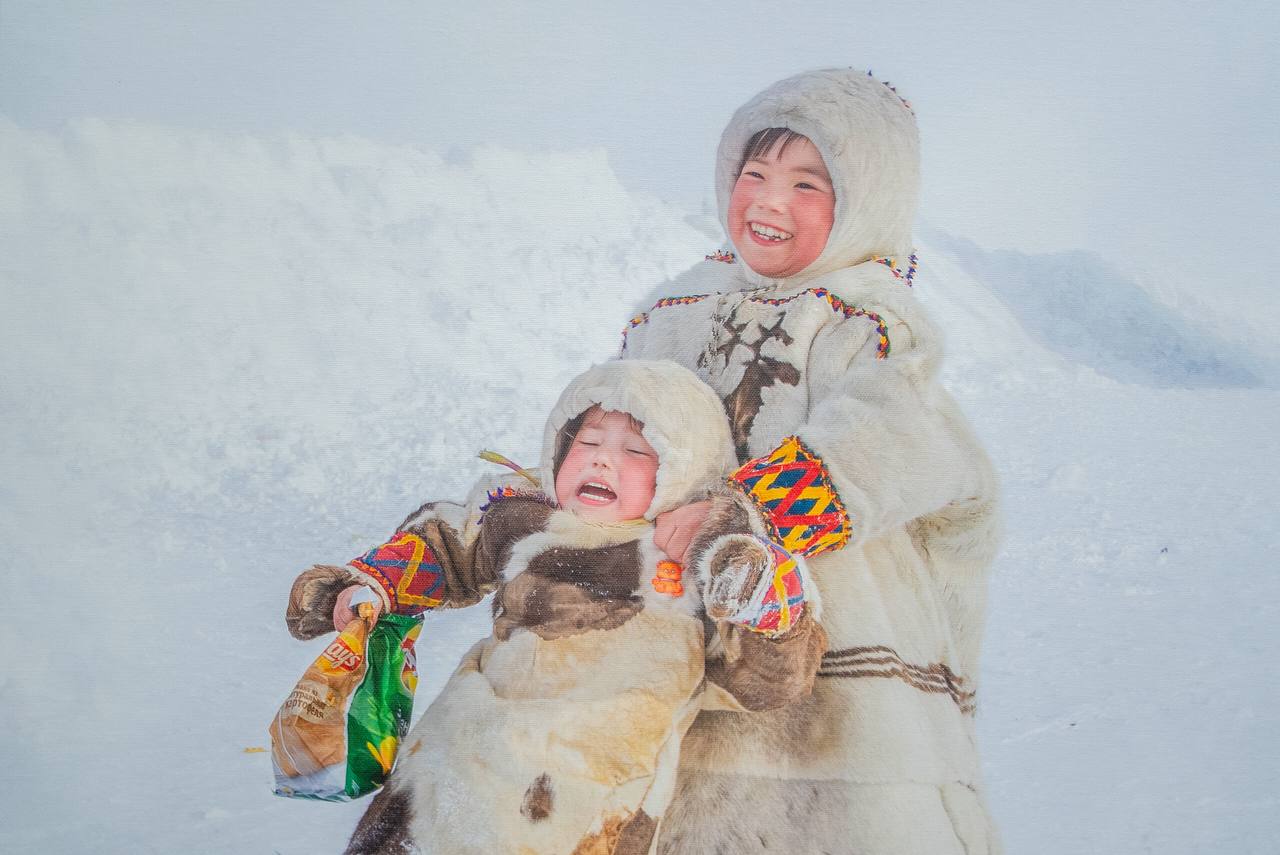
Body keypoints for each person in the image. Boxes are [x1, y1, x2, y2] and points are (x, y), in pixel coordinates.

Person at [616, 68, 1003, 853]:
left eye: (806, 184)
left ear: (867, 201)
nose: (767, 201)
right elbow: (614, 423)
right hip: (681, 644)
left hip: (835, 686)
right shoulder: (672, 311)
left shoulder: (867, 319)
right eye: (753, 174)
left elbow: (889, 436)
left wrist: (751, 510)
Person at [284, 360, 826, 854]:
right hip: (466, 745)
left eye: (637, 450)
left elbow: (766, 682)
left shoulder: (703, 555)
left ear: (687, 470)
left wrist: (771, 612)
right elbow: (444, 549)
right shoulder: (522, 516)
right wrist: (369, 587)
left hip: (595, 785)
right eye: (585, 441)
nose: (602, 459)